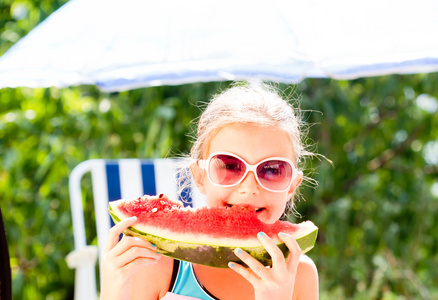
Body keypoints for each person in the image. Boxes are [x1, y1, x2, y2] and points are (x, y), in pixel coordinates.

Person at [100, 82, 319, 300]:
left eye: (272, 170)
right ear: (200, 176)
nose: (249, 188)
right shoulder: (157, 264)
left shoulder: (300, 274)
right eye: (230, 166)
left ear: (292, 185)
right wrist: (114, 291)